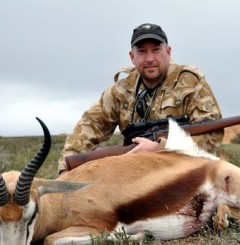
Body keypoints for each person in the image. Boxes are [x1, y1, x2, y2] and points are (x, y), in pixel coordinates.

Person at [58, 23, 224, 175]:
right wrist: (65, 170)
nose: (150, 58)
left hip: (184, 171)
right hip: (135, 175)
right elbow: (89, 126)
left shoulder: (191, 82)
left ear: (168, 52)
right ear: (132, 56)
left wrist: (161, 148)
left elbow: (211, 135)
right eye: (142, 51)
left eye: (156, 50)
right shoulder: (121, 90)